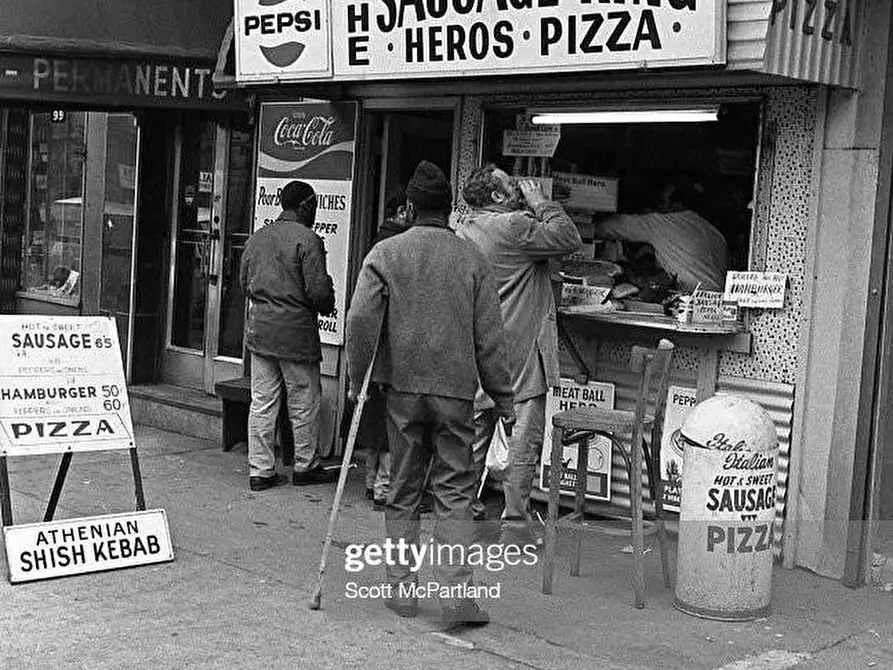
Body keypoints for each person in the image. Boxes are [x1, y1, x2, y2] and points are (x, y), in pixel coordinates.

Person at [346, 160, 515, 625]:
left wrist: (359, 378)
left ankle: (401, 590)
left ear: (408, 208)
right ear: (449, 211)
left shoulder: (386, 253)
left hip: (401, 389)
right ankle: (457, 595)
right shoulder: (472, 260)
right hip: (456, 392)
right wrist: (504, 398)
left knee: (402, 488)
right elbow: (490, 338)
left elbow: (360, 321)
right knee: (455, 492)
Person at [455, 165, 582, 540]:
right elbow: (568, 237)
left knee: (472, 439)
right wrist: (543, 202)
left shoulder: (464, 229)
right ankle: (514, 524)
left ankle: (462, 517)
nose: (519, 188)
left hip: (478, 347)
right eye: (512, 185)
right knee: (523, 441)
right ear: (496, 197)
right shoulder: (512, 226)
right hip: (520, 352)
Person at [240, 180, 337, 492]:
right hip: (295, 333)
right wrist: (328, 300)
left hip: (260, 330)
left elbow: (244, 281)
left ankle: (260, 470)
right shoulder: (308, 239)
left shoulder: (258, 238)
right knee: (303, 401)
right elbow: (319, 291)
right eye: (314, 205)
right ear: (306, 205)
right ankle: (305, 465)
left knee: (262, 402)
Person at [362, 188, 409, 509]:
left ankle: (371, 481)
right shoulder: (395, 247)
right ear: (403, 210)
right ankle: (383, 487)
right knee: (391, 422)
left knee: (376, 418)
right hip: (392, 345)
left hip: (376, 346)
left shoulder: (379, 242)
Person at [595, 179, 728, 292]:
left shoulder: (662, 223)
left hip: (691, 299)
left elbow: (606, 228)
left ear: (676, 204)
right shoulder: (715, 232)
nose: (661, 208)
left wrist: (586, 220)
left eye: (664, 203)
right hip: (719, 303)